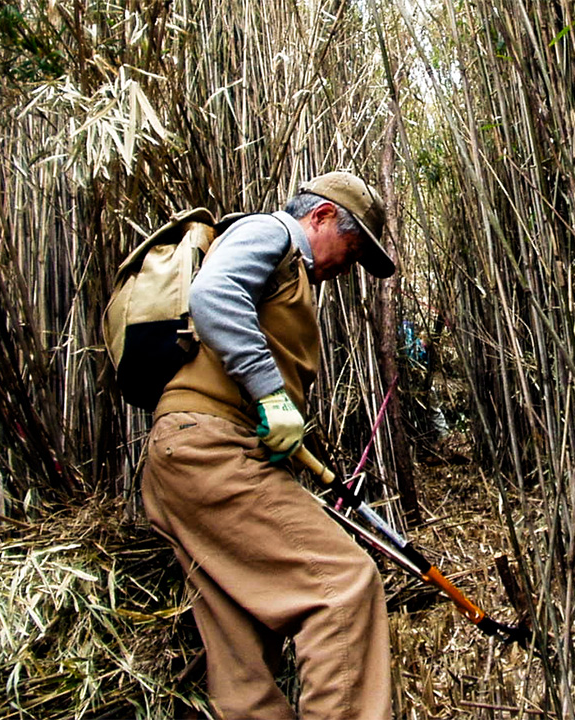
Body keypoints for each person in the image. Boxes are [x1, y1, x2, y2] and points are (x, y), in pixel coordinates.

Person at [140, 171, 395, 720]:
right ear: (322, 216)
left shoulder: (291, 272)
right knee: (344, 588)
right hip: (208, 448)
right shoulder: (271, 232)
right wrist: (273, 397)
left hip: (185, 456)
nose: (345, 269)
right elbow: (212, 293)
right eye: (350, 252)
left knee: (240, 650)